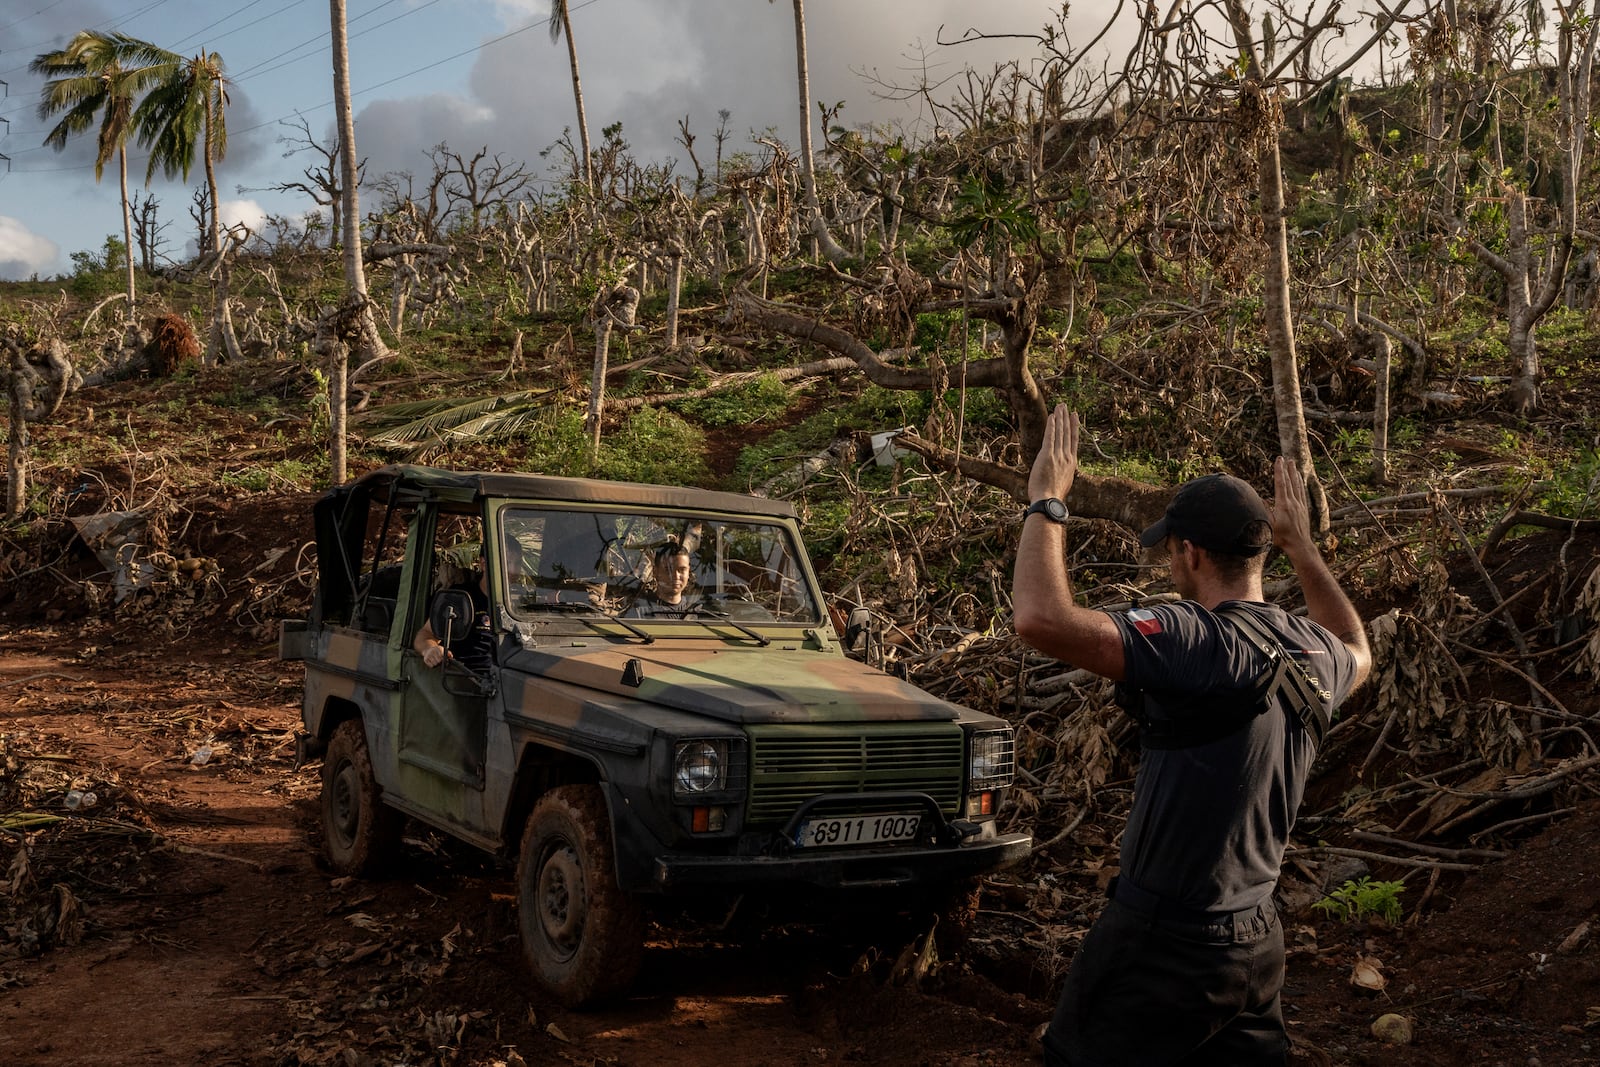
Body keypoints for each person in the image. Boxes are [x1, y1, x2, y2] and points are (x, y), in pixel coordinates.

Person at [1012, 405, 1372, 1067]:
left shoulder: (1198, 638)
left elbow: (1039, 617)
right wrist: (1305, 549)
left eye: (1172, 548)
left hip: (1165, 943)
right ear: (1262, 549)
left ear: (1191, 553)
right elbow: (1360, 646)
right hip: (1257, 940)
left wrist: (1047, 502)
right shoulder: (1314, 653)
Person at [413, 552, 495, 673]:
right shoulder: (460, 598)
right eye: (507, 563)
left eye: (517, 563)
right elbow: (425, 634)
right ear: (483, 563)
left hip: (512, 673)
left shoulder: (519, 602)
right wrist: (431, 650)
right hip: (470, 679)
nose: (513, 571)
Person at [626, 541, 703, 618]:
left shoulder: (699, 614)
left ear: (688, 572)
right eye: (668, 570)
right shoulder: (640, 613)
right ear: (655, 572)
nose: (676, 576)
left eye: (682, 570)